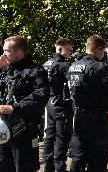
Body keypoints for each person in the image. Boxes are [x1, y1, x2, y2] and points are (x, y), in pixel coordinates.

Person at [67, 35, 108, 171]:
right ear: (98, 49)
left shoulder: (74, 65)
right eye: (104, 51)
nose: (104, 55)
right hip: (97, 119)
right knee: (98, 159)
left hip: (79, 117)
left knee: (78, 158)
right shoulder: (99, 67)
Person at [0, 35, 50, 172]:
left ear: (19, 52)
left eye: (6, 51)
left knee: (24, 167)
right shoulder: (5, 69)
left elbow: (41, 96)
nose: (3, 54)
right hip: (3, 129)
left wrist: (14, 108)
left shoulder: (36, 70)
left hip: (25, 129)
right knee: (4, 165)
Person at [43, 38, 74, 172]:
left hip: (49, 102)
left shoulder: (47, 63)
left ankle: (48, 165)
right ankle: (59, 166)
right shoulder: (62, 65)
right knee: (61, 135)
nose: (70, 53)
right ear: (60, 49)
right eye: (68, 49)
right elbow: (75, 80)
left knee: (50, 134)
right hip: (60, 103)